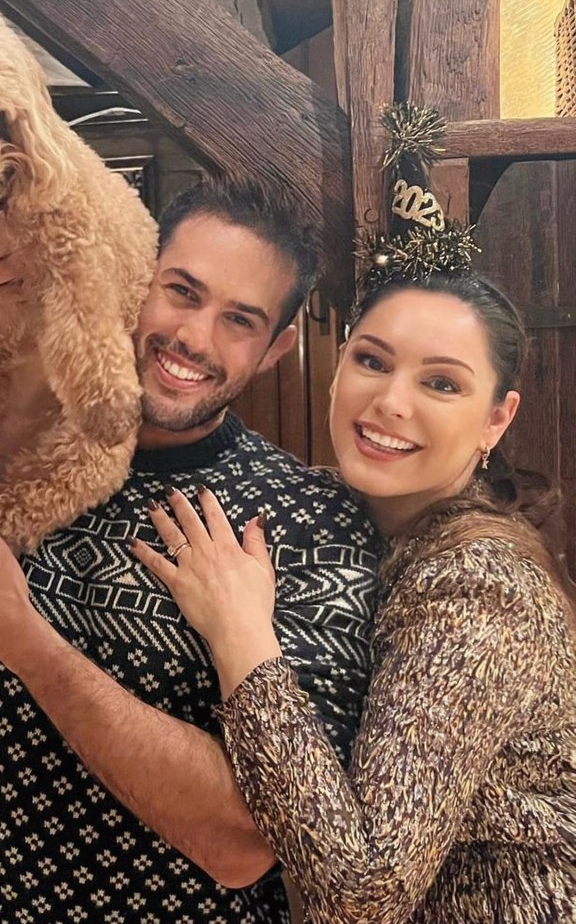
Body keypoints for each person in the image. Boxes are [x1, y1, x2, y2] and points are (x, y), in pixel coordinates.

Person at [0, 183, 379, 924]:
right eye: (180, 291)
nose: (195, 340)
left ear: (275, 350)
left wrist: (20, 638)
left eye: (239, 320)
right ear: (129, 277)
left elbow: (243, 845)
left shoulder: (308, 521)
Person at [130, 269, 576, 923]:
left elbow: (363, 894)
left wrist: (241, 638)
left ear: (496, 419)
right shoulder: (344, 514)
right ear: (338, 365)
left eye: (442, 383)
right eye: (372, 360)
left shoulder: (477, 590)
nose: (392, 402)